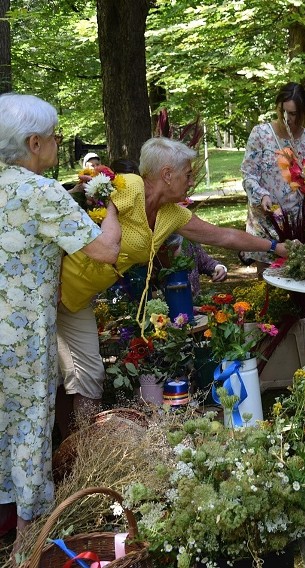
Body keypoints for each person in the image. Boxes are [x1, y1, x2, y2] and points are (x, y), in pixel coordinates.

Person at [56, 137, 291, 435]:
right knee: (50, 376)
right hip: (53, 288)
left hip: (80, 300)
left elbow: (223, 237)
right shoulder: (129, 186)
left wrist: (274, 246)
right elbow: (71, 210)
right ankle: (62, 449)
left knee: (89, 376)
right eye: (188, 174)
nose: (191, 181)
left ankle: (79, 451)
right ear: (167, 174)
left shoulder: (171, 213)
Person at [0, 94, 120, 548]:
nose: (57, 143)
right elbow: (105, 250)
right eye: (53, 137)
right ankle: (30, 537)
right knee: (31, 421)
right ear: (34, 143)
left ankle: (6, 521)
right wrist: (112, 203)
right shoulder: (40, 191)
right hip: (23, 336)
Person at [110, 158, 228, 299]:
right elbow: (132, 291)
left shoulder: (175, 218)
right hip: (158, 310)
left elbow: (202, 258)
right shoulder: (132, 239)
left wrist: (218, 267)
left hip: (191, 304)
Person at [241, 82, 305, 276]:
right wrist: (261, 196)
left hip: (298, 222)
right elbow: (248, 173)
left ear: (303, 112)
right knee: (268, 280)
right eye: (282, 111)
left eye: (293, 114)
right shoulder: (260, 134)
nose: (287, 118)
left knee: (298, 276)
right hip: (266, 218)